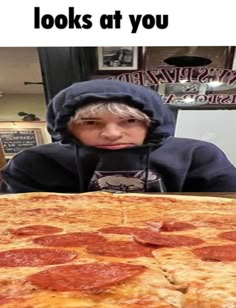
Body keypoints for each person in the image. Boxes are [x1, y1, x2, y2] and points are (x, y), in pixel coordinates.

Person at [1, 79, 236, 193]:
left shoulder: (199, 155)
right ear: (66, 127)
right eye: (90, 122)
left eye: (130, 121)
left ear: (153, 124)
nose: (112, 134)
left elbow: (227, 208)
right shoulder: (32, 162)